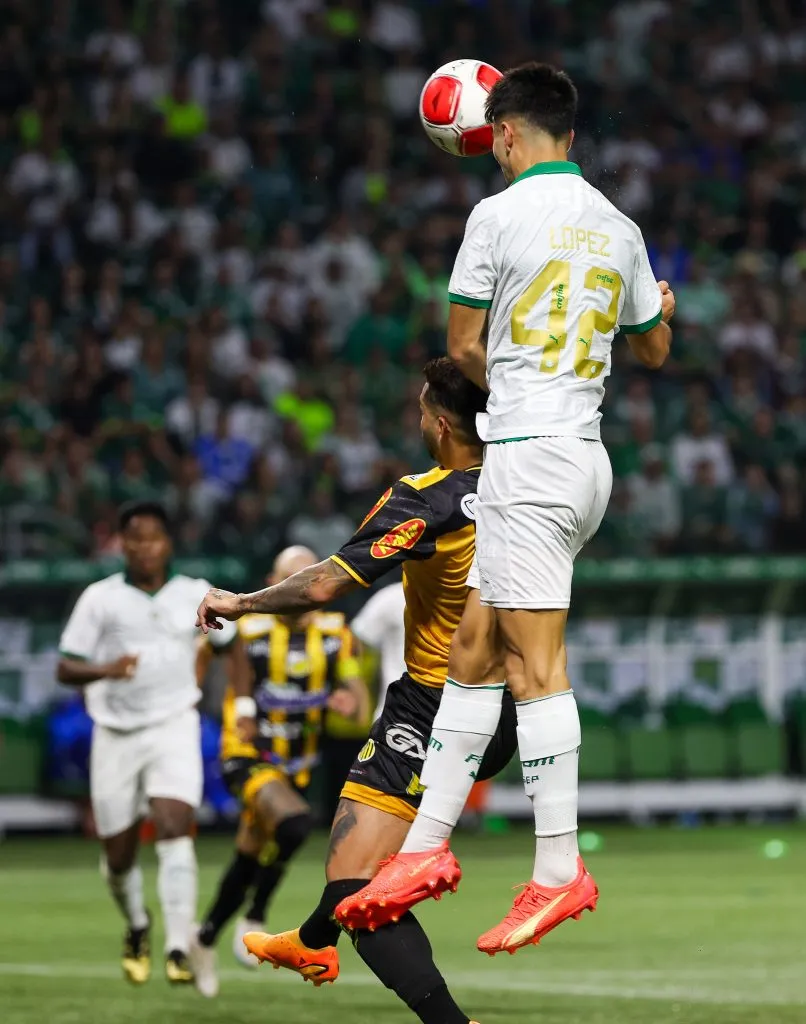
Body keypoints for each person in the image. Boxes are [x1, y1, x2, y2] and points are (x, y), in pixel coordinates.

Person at [336, 62, 676, 957]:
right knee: (473, 652)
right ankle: (422, 849)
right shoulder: (621, 226)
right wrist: (648, 315)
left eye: (493, 142)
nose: (491, 155)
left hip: (531, 454)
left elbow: (461, 345)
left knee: (534, 668)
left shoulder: (496, 216)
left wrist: (523, 382)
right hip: (579, 458)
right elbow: (653, 348)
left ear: (512, 134)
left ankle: (560, 870)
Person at [196, 358, 516, 1024]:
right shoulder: (529, 482)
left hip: (434, 705)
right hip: (511, 706)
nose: (420, 417)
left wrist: (242, 602)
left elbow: (323, 585)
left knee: (358, 889)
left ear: (442, 421)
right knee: (361, 867)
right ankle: (313, 941)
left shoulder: (427, 497)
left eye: (425, 407)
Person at [57, 500, 242, 986]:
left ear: (169, 543)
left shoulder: (196, 593)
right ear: (123, 543)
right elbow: (65, 666)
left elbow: (231, 645)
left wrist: (240, 708)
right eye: (135, 538)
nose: (145, 547)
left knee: (174, 824)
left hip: (173, 724)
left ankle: (178, 947)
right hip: (114, 733)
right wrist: (106, 669)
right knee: (118, 855)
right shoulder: (100, 598)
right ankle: (138, 923)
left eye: (154, 537)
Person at [189, 546, 367, 997]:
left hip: (298, 763)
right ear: (275, 582)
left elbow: (357, 700)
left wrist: (348, 700)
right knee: (294, 823)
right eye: (291, 578)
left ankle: (204, 936)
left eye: (308, 577)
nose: (302, 588)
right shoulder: (250, 627)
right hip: (245, 753)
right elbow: (206, 653)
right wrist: (198, 698)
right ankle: (256, 916)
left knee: (251, 852)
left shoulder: (335, 632)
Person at [350, 580, 406, 719]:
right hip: (398, 713)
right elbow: (357, 643)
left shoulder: (467, 598)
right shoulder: (394, 597)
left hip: (457, 714)